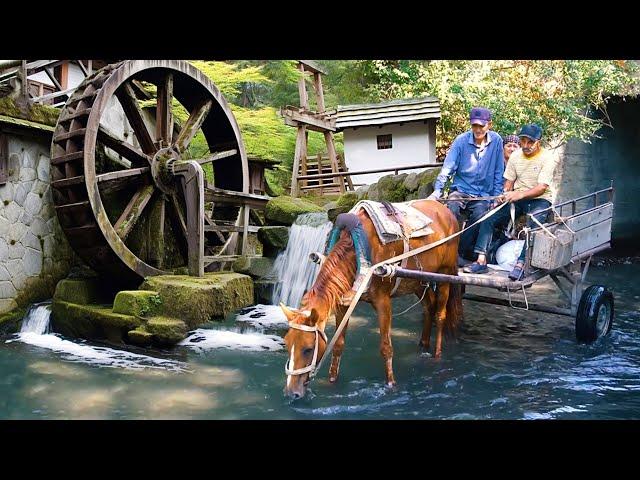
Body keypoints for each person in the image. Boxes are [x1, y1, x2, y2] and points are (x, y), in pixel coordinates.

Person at [463, 123, 557, 280]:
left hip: (540, 199)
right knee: (489, 218)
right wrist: (504, 194)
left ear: (538, 141)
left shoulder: (547, 158)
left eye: (530, 142)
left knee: (533, 226)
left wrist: (518, 194)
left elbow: (541, 188)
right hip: (518, 198)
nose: (525, 146)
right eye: (523, 141)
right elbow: (509, 182)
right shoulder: (516, 156)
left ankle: (521, 264)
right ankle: (481, 260)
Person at [427, 107, 505, 263]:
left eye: (481, 126)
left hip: (484, 194)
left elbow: (498, 170)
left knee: (481, 216)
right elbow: (448, 167)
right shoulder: (461, 141)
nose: (477, 129)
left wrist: (496, 196)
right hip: (461, 190)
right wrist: (437, 191)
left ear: (489, 124)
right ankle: (447, 250)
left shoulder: (496, 140)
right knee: (451, 210)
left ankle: (458, 253)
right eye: (474, 126)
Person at [321, 213, 372, 305]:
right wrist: (356, 289)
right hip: (347, 221)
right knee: (363, 258)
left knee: (329, 254)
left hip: (340, 219)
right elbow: (363, 263)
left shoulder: (344, 224)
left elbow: (329, 252)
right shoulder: (355, 226)